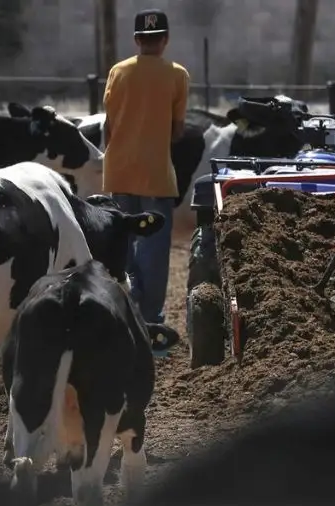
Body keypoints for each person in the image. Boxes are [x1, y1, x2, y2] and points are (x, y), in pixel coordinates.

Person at [102, 8, 189, 349]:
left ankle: (122, 316)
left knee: (121, 246)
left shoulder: (117, 72)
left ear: (137, 39)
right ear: (165, 40)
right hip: (155, 174)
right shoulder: (177, 74)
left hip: (119, 171)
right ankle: (150, 324)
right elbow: (178, 131)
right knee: (153, 249)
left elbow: (108, 126)